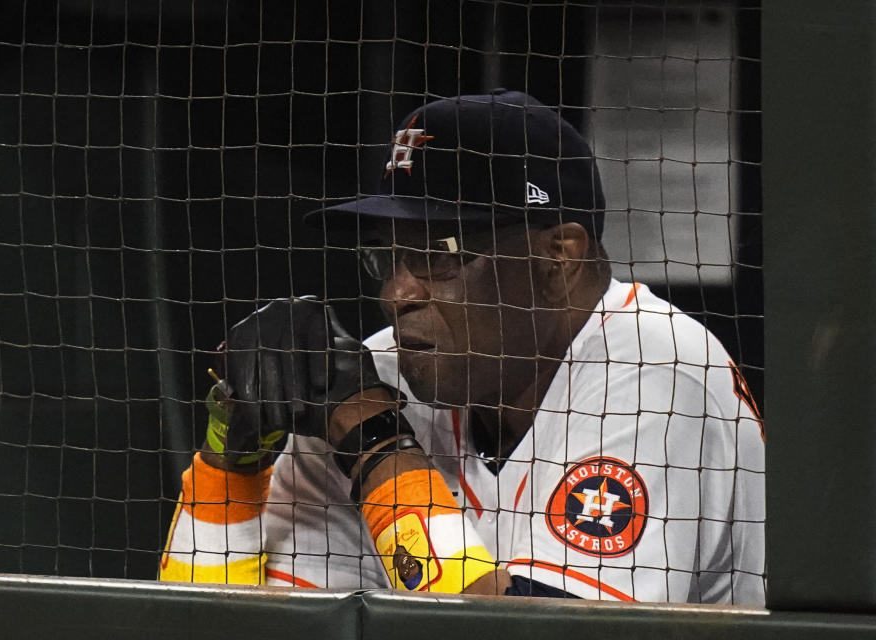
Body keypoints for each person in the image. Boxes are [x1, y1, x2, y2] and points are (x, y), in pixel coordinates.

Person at [159, 90, 765, 603]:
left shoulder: (657, 372)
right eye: (390, 255)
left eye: (440, 253)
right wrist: (229, 469)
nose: (397, 293)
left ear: (560, 257)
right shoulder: (384, 375)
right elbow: (234, 624)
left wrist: (377, 448)